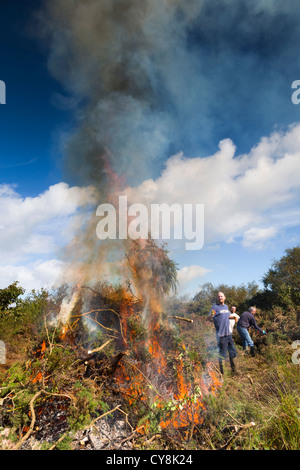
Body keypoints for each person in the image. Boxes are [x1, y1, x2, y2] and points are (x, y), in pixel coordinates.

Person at [208, 292, 238, 374]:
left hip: (228, 333)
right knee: (223, 354)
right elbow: (209, 316)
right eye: (218, 297)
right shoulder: (215, 307)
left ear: (224, 297)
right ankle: (223, 375)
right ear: (217, 299)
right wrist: (211, 314)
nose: (220, 297)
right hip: (221, 335)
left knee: (233, 352)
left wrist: (233, 317)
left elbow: (225, 316)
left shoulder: (226, 307)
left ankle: (235, 371)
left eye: (221, 296)